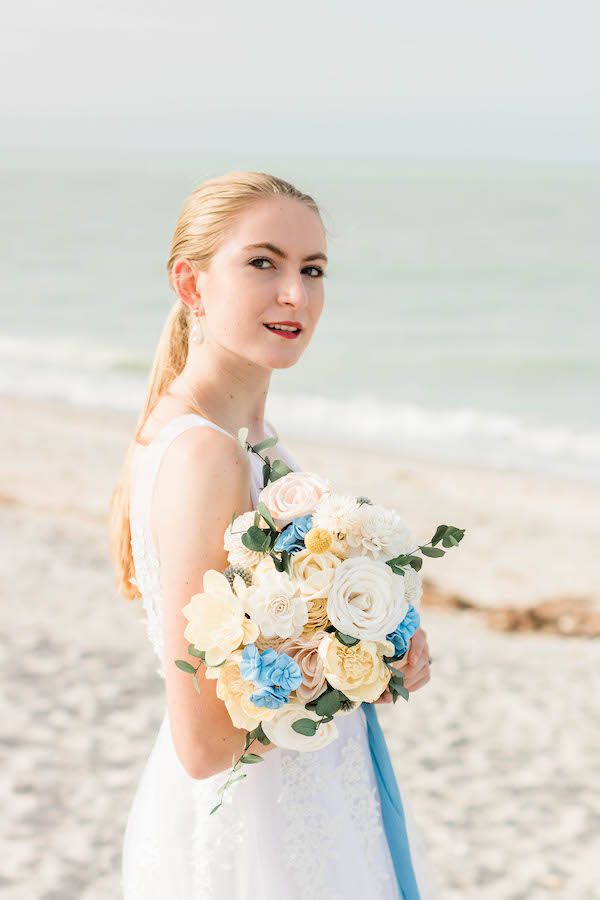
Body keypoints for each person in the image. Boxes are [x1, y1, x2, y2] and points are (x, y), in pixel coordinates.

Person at [108, 170, 440, 898]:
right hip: (257, 832)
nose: (297, 293)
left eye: (312, 270)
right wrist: (340, 678)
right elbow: (204, 744)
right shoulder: (205, 455)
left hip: (315, 799)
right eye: (264, 263)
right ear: (191, 284)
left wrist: (373, 647)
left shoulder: (255, 441)